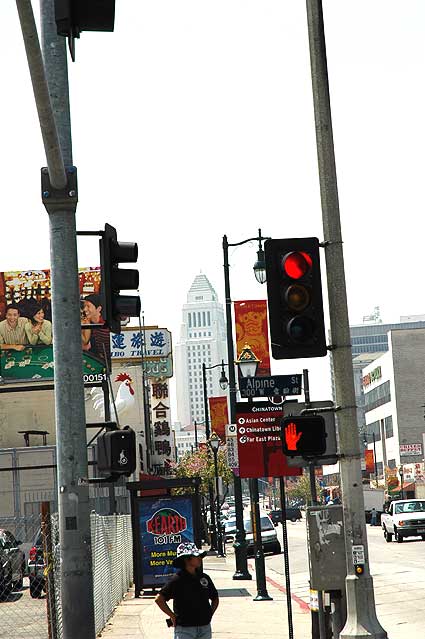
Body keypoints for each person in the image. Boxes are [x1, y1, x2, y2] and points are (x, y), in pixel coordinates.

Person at [155, 542, 219, 639]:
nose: (199, 558)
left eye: (200, 556)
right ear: (186, 559)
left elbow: (215, 598)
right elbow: (159, 599)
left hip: (204, 627)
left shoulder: (204, 578)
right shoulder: (177, 580)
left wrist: (209, 614)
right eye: (196, 556)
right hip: (184, 629)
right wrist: (172, 616)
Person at [81, 294, 111, 362]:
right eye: (84, 306)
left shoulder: (106, 325)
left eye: (88, 306)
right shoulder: (88, 323)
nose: (85, 309)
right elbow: (85, 343)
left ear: (99, 309)